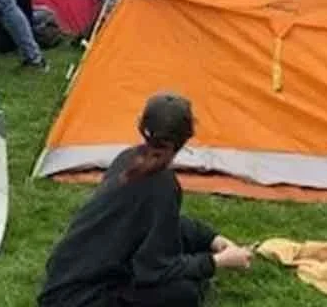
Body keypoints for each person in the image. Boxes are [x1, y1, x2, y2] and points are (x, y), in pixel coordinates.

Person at [38, 93, 254, 307]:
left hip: (61, 281)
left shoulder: (127, 158)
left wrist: (212, 239)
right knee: (184, 293)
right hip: (82, 298)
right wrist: (217, 262)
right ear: (186, 138)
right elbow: (155, 270)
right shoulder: (162, 184)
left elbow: (167, 223)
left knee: (181, 255)